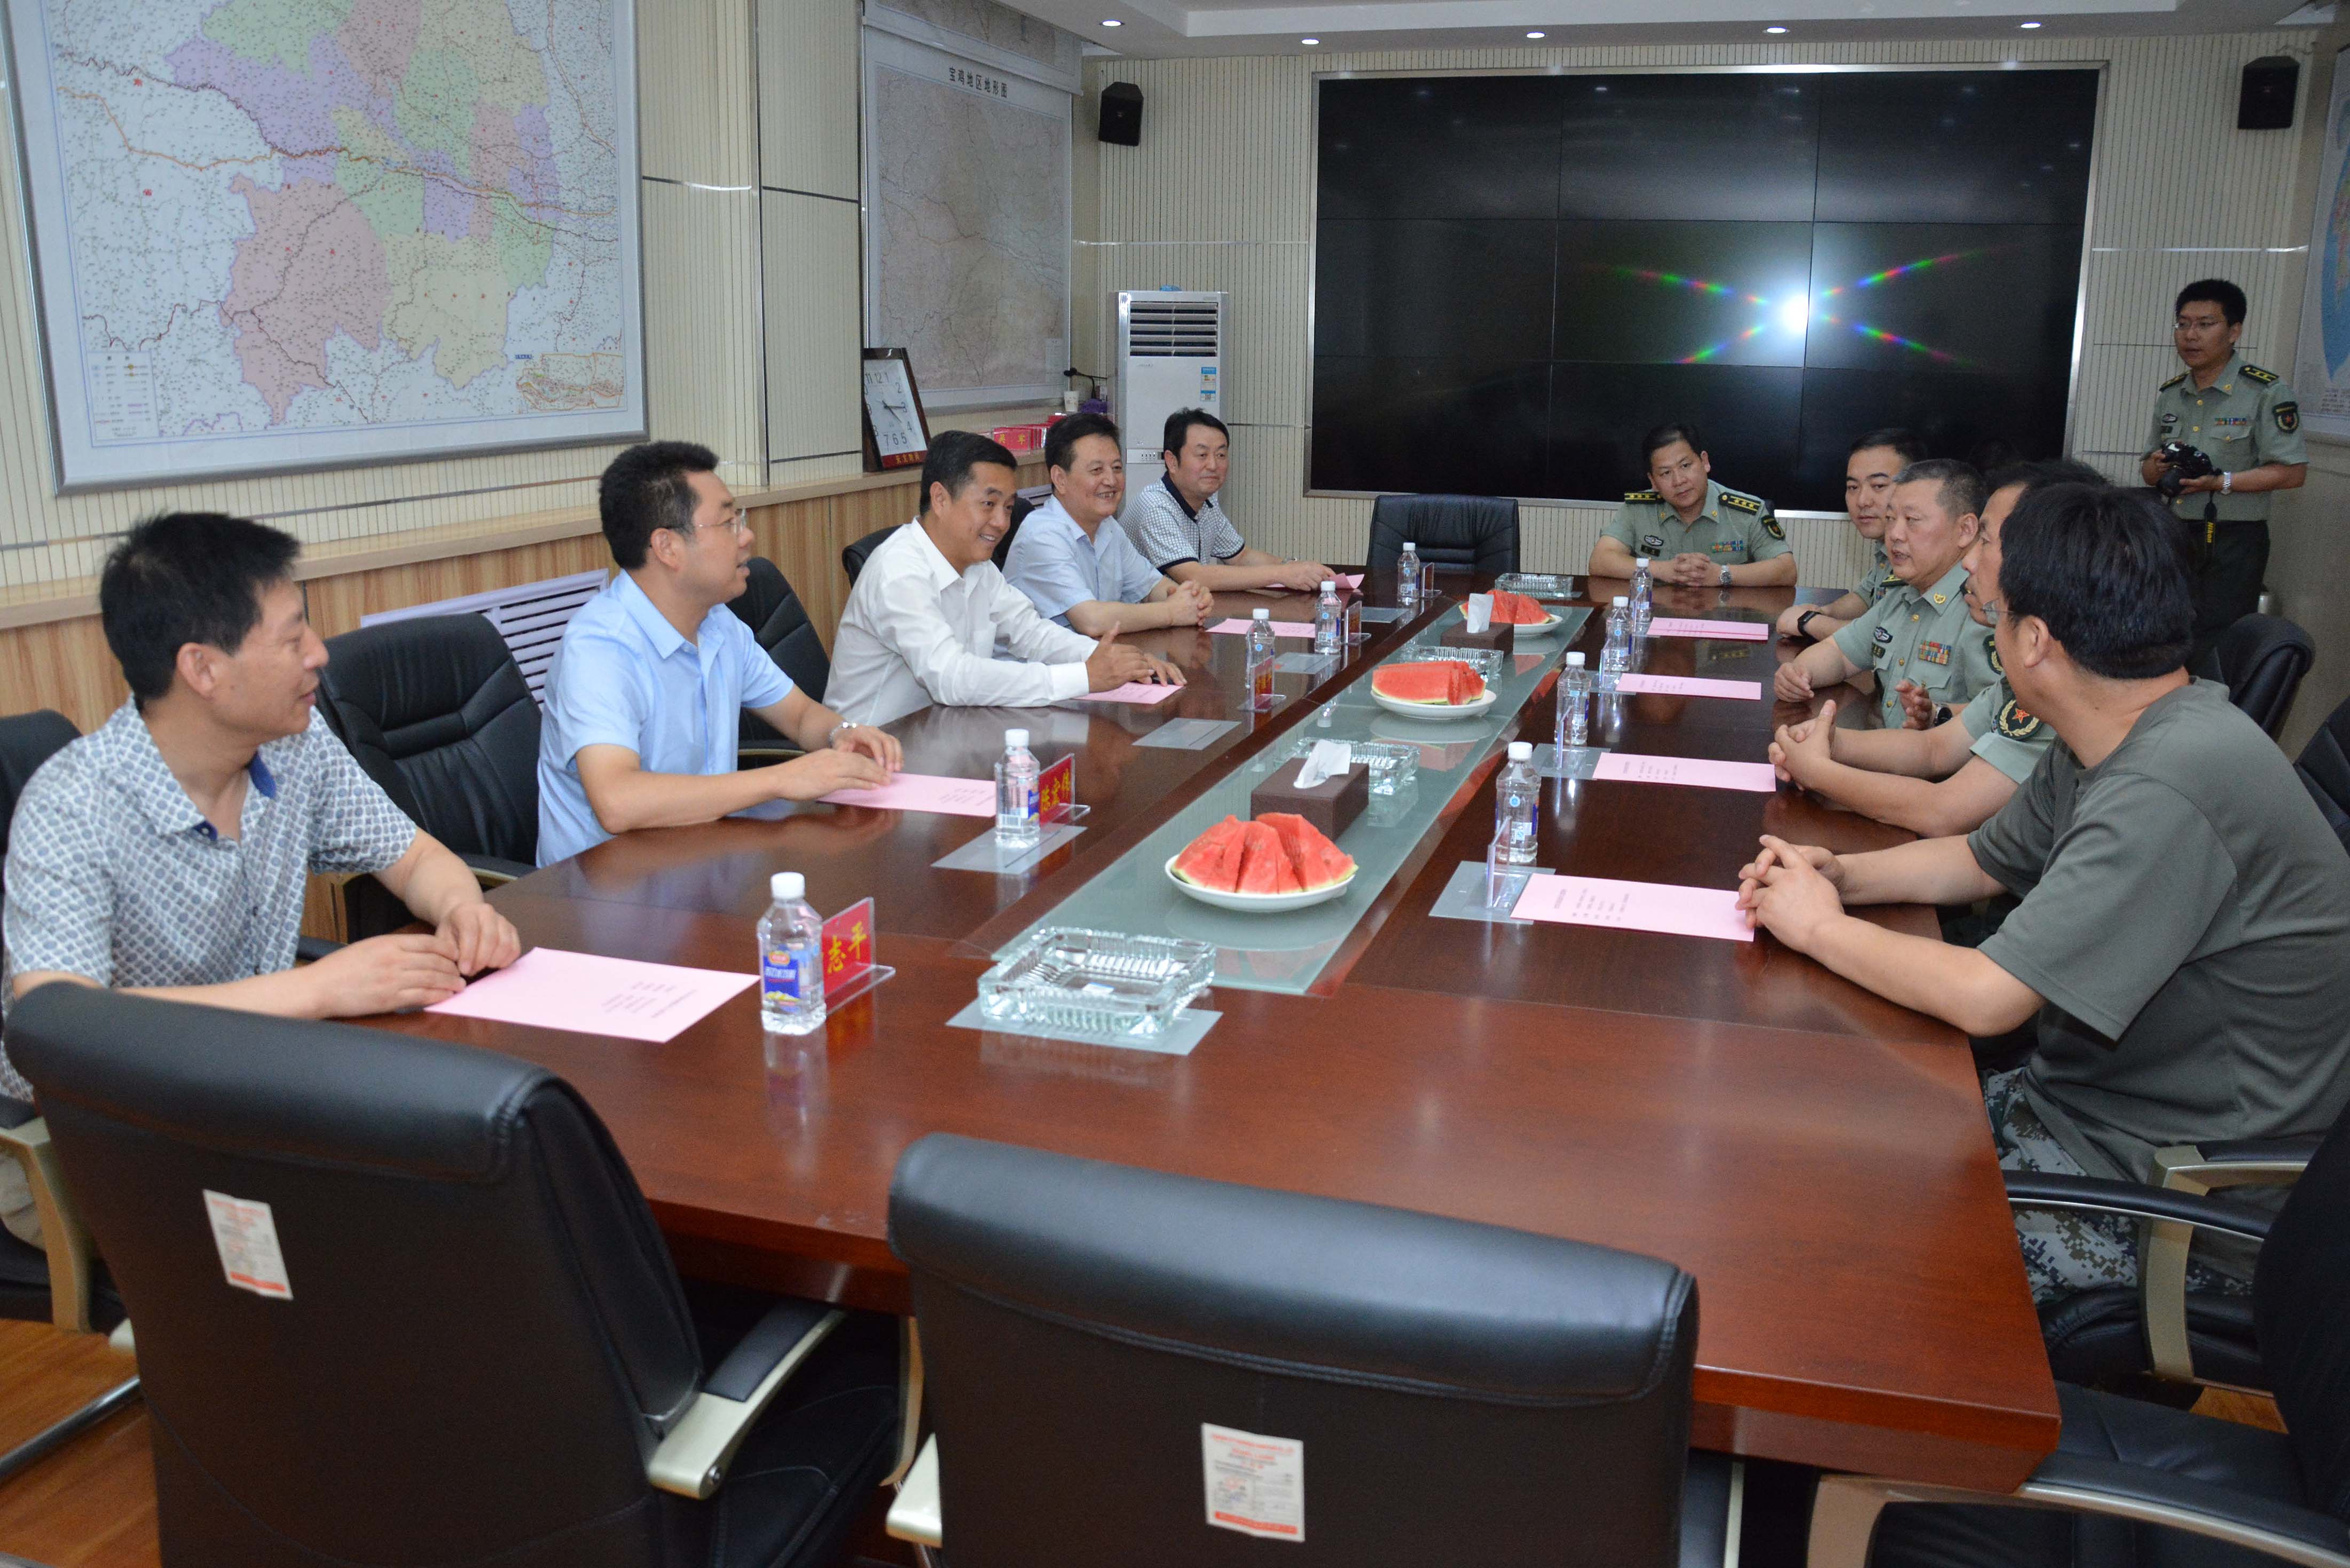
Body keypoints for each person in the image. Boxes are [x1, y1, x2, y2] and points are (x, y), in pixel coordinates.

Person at [1738, 482, 2350, 1304]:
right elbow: (1983, 861)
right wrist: (1841, 877)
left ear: (2032, 641)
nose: (1983, 610)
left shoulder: (2171, 782)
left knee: (1823, 1256)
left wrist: (1817, 929)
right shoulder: (2123, 725)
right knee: (1804, 1143)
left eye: (1994, 602)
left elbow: (1990, 998)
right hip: (2072, 1114)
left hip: (2163, 1200)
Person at [0, 511, 525, 1236]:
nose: (319, 655)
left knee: (487, 1175)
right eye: (292, 637)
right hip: (101, 1139)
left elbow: (416, 858)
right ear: (203, 669)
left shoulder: (296, 746)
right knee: (404, 1230)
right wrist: (315, 990)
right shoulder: (74, 804)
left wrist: (462, 908)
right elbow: (57, 1029)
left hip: (259, 1092)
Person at [536, 442, 905, 866]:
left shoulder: (718, 624)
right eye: (729, 522)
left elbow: (801, 716)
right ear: (668, 547)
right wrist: (784, 779)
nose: (747, 537)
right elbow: (617, 802)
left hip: (702, 860)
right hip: (597, 895)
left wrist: (843, 732)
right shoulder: (599, 649)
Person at [1767, 461, 2102, 837]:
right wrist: (1829, 740)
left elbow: (1944, 811)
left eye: (1988, 541)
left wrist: (1821, 772)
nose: (1970, 562)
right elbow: (1934, 749)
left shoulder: (2052, 670)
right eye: (1891, 519)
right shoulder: (1907, 596)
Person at [828, 430, 1182, 728]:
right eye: (988, 504)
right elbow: (952, 678)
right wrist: (1085, 676)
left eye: (1009, 507)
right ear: (940, 498)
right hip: (873, 753)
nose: (1001, 522)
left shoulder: (977, 566)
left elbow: (1032, 633)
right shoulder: (899, 571)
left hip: (948, 735)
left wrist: (1118, 660)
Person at [2141, 279, 2306, 658]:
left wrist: (2221, 482)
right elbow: (2148, 474)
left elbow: (2292, 472)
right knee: (2163, 636)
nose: (2190, 336)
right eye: (2182, 324)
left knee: (2215, 645)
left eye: (2204, 324)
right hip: (2174, 534)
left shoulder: (2265, 392)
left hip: (2233, 540)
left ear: (2234, 331)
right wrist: (2156, 465)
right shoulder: (2171, 393)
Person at [1773, 459, 1997, 729]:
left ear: (1965, 530)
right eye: (1891, 519)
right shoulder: (1902, 595)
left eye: (1912, 520)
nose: (1895, 535)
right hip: (1889, 757)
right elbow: (1839, 653)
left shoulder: (1982, 610)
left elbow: (1998, 716)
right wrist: (1799, 674)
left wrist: (1937, 714)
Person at [1003, 414, 1213, 633]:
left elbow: (1154, 588)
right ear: (1060, 479)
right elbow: (1092, 621)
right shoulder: (1043, 535)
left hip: (1095, 660)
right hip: (1041, 666)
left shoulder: (1108, 528)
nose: (1111, 481)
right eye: (1096, 470)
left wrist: (1192, 599)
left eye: (1116, 468)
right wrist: (1172, 612)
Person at [1127, 409, 1334, 593]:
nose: (1213, 465)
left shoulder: (1207, 501)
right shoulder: (1155, 506)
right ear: (1172, 461)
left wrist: (1296, 567)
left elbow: (1240, 556)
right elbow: (1196, 577)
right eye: (1202, 455)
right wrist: (1283, 574)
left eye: (1221, 454)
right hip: (1136, 624)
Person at [1591, 423, 1796, 586]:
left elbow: (1787, 570)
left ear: (1704, 462)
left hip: (1726, 623)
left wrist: (1721, 575)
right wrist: (1663, 570)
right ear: (1653, 481)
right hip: (1656, 621)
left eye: (1686, 466)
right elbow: (1601, 560)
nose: (1679, 480)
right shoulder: (1637, 510)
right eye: (1666, 473)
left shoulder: (1746, 512)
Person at [1775, 429, 1929, 640]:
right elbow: (1866, 597)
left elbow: (1890, 638)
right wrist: (1824, 612)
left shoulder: (1924, 548)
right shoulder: (1887, 543)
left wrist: (1810, 623)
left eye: (1878, 486)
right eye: (1853, 487)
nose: (1862, 500)